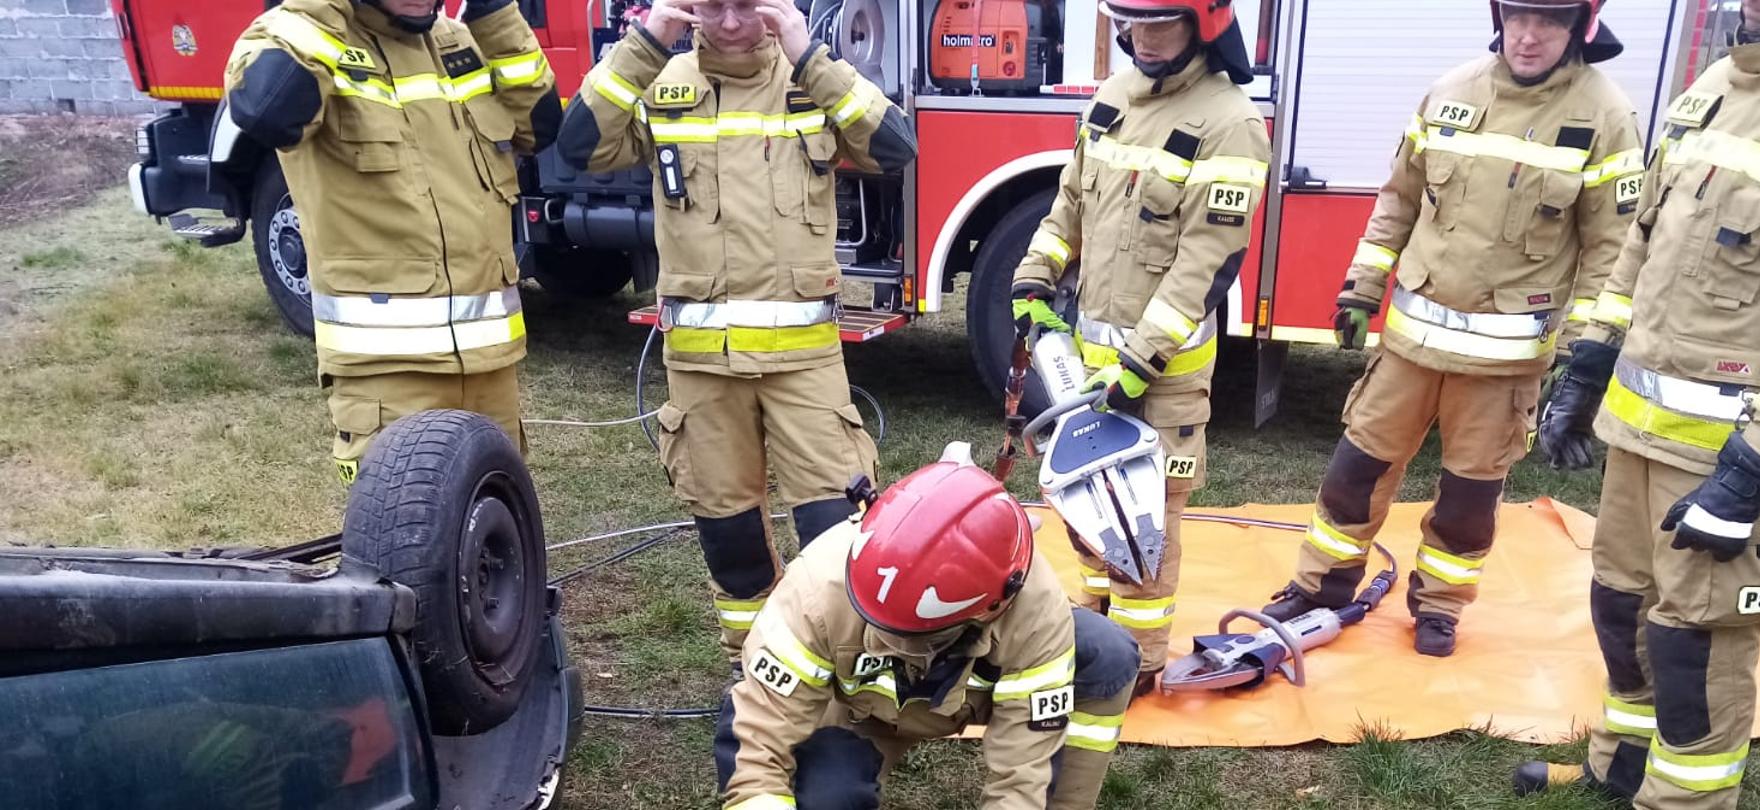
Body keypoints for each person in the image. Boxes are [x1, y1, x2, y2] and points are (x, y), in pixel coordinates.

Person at [1518, 0, 1760, 804]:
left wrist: (1758, 466)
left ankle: (1686, 798)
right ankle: (1619, 764)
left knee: (1697, 645)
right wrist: (1590, 361)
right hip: (1639, 432)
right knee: (1620, 607)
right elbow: (1644, 238)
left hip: (1732, 452)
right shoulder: (1715, 82)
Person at [1262, 0, 1641, 658]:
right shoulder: (1451, 91)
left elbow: (1611, 253)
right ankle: (1323, 585)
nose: (1528, 35)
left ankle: (1438, 607)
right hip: (1411, 348)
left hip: (1504, 366)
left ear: (1580, 25)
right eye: (1518, 16)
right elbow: (1399, 201)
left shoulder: (1606, 117)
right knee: (1353, 475)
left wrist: (1582, 356)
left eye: (1548, 21)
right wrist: (1362, 286)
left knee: (1468, 503)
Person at [556, 0, 917, 661]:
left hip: (804, 366)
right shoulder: (664, 86)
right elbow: (578, 144)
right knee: (732, 545)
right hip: (701, 369)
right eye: (712, 6)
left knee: (834, 533)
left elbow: (895, 147)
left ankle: (838, 678)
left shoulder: (812, 80)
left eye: (746, 7)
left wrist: (810, 54)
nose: (728, 23)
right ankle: (755, 674)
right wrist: (648, 39)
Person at [1008, 0, 1269, 698]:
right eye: (1131, 22)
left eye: (1160, 22)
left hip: (1165, 376)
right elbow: (1070, 203)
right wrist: (1036, 272)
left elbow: (1204, 264)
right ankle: (1093, 627)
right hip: (1092, 365)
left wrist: (1143, 359)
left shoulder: (1232, 124)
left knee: (1149, 519)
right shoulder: (1110, 98)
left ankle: (1140, 656)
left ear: (1203, 24)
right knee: (1086, 504)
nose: (1143, 37)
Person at [224, 0, 561, 484]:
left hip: (490, 367)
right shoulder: (297, 36)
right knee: (407, 551)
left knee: (498, 537)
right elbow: (267, 112)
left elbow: (539, 125)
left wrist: (494, 13)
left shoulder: (456, 41)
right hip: (389, 376)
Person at [713, 454, 1140, 809]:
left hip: (970, 699)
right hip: (855, 714)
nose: (895, 646)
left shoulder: (1034, 609)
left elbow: (1020, 775)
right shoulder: (816, 592)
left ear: (994, 606)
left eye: (920, 636)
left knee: (1106, 651)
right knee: (828, 797)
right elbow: (758, 744)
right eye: (882, 626)